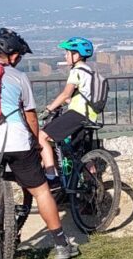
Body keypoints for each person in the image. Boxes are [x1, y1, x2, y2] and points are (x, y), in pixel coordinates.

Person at [0, 28, 78, 259]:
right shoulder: (19, 77)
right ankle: (61, 244)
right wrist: (34, 141)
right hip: (15, 138)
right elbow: (30, 115)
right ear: (12, 55)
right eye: (19, 56)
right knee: (41, 191)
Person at [38, 37, 104, 182]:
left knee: (41, 136)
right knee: (84, 154)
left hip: (77, 114)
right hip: (90, 116)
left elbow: (65, 94)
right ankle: (93, 185)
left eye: (67, 53)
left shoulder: (77, 71)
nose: (65, 56)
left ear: (76, 55)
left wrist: (48, 109)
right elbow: (80, 96)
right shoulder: (90, 72)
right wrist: (68, 102)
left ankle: (51, 175)